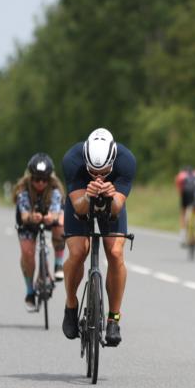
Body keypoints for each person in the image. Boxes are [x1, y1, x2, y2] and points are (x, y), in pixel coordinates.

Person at [61, 128, 136, 346]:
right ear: (85, 161)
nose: (99, 176)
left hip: (112, 203)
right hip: (81, 199)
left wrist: (111, 196)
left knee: (114, 252)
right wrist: (88, 195)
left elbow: (117, 208)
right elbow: (78, 206)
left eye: (104, 171)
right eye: (93, 171)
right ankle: (71, 304)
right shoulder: (72, 160)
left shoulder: (126, 161)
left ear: (113, 160)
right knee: (77, 251)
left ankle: (113, 318)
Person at [14, 153, 66, 311]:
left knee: (61, 224)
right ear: (31, 178)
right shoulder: (23, 191)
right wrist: (31, 217)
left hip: (49, 219)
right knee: (27, 253)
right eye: (37, 179)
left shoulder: (55, 189)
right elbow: (23, 216)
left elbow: (57, 211)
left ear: (49, 179)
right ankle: (30, 291)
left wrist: (52, 217)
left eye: (44, 180)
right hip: (28, 222)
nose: (40, 183)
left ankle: (58, 265)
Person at [175, 165, 195, 244]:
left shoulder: (181, 175)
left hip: (186, 193)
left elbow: (179, 189)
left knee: (184, 211)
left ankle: (183, 234)